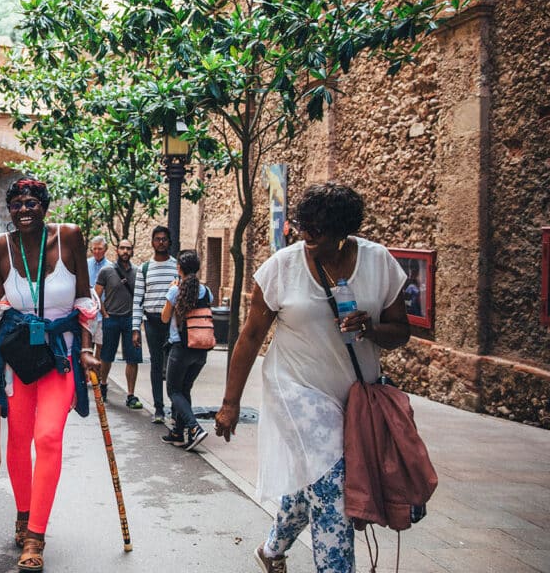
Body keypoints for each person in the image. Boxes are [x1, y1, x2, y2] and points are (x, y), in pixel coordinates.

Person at [215, 183, 410, 573]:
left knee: (318, 484)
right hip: (296, 389)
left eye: (317, 230)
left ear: (343, 232)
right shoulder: (280, 269)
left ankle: (272, 549)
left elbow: (401, 331)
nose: (306, 236)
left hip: (357, 397)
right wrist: (230, 402)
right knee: (335, 488)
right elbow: (250, 336)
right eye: (302, 226)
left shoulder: (379, 263)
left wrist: (371, 328)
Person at [0, 177, 99, 572]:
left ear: (45, 206)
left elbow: (83, 297)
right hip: (17, 358)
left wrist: (86, 348)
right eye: (17, 204)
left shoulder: (70, 237)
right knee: (18, 440)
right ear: (9, 210)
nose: (24, 209)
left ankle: (35, 535)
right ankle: (24, 510)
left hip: (60, 355)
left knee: (47, 437)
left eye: (32, 202)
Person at [159, 250, 213, 451]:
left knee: (173, 390)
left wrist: (171, 291)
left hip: (180, 349)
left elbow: (164, 318)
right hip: (201, 349)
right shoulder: (206, 291)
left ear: (179, 268)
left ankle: (194, 428)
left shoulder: (176, 291)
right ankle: (177, 433)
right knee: (184, 390)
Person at [131, 226, 177, 424]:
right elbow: (138, 299)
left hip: (173, 323)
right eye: (157, 239)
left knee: (174, 366)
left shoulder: (176, 266)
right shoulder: (144, 268)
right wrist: (135, 329)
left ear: (169, 242)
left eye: (164, 239)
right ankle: (159, 408)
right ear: (152, 242)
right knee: (156, 365)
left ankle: (176, 408)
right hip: (151, 322)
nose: (161, 242)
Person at [95, 239, 142, 409]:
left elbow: (141, 296)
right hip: (112, 318)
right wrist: (105, 314)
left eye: (128, 248)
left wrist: (138, 318)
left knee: (133, 358)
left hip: (131, 320)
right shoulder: (106, 271)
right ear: (117, 250)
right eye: (122, 248)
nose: (125, 251)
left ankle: (130, 394)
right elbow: (97, 295)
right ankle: (104, 383)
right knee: (107, 356)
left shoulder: (138, 272)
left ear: (132, 251)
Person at [86, 236, 109, 367]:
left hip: (102, 313)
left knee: (100, 344)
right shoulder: (85, 264)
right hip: (87, 312)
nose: (96, 251)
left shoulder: (110, 267)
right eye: (94, 249)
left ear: (105, 249)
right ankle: (87, 373)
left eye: (99, 249)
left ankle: (96, 372)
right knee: (88, 344)